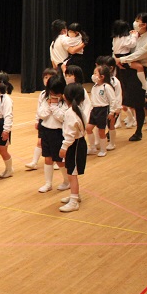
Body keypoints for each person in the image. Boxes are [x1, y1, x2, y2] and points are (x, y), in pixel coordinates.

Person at [116, 13, 147, 141]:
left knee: (138, 103)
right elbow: (119, 47)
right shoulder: (131, 34)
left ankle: (138, 131)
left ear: (144, 24)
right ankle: (110, 130)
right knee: (118, 100)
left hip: (137, 71)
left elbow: (138, 55)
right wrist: (117, 59)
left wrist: (121, 59)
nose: (135, 23)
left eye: (137, 20)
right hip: (124, 68)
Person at [58, 83, 88, 213]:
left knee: (72, 173)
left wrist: (64, 147)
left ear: (65, 97)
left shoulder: (71, 113)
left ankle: (74, 201)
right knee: (71, 171)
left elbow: (70, 134)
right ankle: (74, 195)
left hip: (74, 145)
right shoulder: (78, 109)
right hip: (77, 143)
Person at [36, 76, 68, 193]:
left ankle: (67, 181)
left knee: (59, 159)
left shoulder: (65, 101)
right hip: (46, 130)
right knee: (47, 158)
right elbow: (41, 114)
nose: (54, 95)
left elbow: (62, 118)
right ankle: (48, 183)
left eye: (56, 93)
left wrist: (54, 106)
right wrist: (49, 107)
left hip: (58, 132)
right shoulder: (45, 98)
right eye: (51, 92)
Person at [26, 68, 58, 170]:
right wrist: (37, 120)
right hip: (43, 121)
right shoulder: (43, 94)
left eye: (50, 78)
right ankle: (34, 162)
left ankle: (57, 161)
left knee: (55, 143)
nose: (47, 80)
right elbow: (39, 108)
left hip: (55, 122)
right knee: (40, 142)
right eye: (45, 77)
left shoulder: (59, 93)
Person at [86, 65, 115, 157]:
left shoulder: (106, 87)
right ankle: (92, 148)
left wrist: (112, 112)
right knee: (88, 128)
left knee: (101, 131)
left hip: (103, 110)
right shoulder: (94, 87)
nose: (93, 75)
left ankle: (103, 149)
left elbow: (112, 100)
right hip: (94, 110)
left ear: (102, 76)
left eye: (95, 73)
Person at [0, 71, 14, 178]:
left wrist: (6, 130)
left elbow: (8, 115)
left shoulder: (6, 99)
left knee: (2, 150)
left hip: (1, 124)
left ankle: (9, 169)